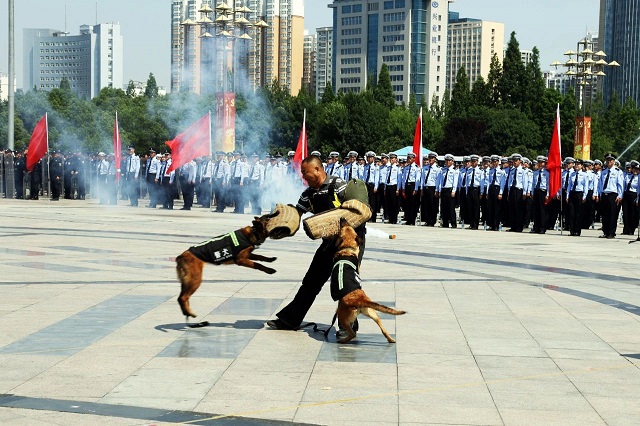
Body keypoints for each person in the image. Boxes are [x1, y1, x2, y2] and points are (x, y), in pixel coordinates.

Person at [266, 155, 367, 338]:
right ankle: (290, 320)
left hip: (349, 242)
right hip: (329, 243)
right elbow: (297, 213)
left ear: (318, 170)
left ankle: (348, 326)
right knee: (311, 281)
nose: (303, 177)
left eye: (306, 173)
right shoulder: (308, 195)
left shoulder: (339, 185)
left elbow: (357, 210)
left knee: (345, 281)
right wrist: (277, 221)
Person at [598, 153, 624, 239]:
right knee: (605, 214)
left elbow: (620, 184)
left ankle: (611, 233)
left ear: (613, 161)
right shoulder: (603, 172)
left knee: (612, 214)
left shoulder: (617, 172)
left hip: (613, 195)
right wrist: (600, 193)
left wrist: (620, 195)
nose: (609, 162)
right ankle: (605, 231)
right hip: (604, 194)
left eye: (611, 160)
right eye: (607, 160)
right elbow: (600, 184)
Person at [436, 154, 458, 228]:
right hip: (444, 189)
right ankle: (445, 223)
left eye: (449, 160)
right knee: (443, 207)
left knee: (451, 208)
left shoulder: (455, 170)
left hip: (450, 190)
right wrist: (438, 190)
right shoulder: (443, 170)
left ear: (452, 161)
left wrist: (454, 191)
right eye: (446, 160)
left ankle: (453, 223)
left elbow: (455, 181)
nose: (447, 162)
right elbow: (440, 181)